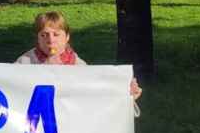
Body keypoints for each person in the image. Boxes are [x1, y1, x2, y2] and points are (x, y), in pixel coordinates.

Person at [15, 11, 144, 110]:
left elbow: (98, 97)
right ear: (37, 38)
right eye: (44, 35)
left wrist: (125, 94)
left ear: (67, 37)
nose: (50, 40)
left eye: (56, 34)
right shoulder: (25, 62)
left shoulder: (78, 66)